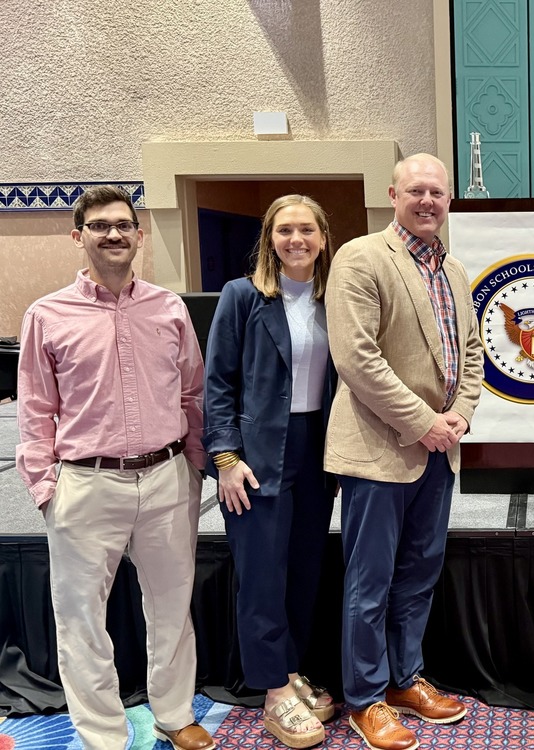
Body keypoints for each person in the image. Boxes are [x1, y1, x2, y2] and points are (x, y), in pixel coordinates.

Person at [15, 186, 213, 750]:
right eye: (100, 225)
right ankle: (103, 733)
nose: (114, 234)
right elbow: (35, 409)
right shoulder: (47, 315)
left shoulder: (168, 307)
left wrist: (194, 466)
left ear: (139, 234)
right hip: (84, 482)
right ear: (78, 236)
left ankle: (175, 716)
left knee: (173, 606)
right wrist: (46, 487)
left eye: (124, 224)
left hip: (167, 477)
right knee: (80, 618)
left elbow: (192, 393)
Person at [326, 153, 484, 750]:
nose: (427, 201)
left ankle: (403, 678)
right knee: (370, 583)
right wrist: (424, 422)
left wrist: (460, 416)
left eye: (437, 193)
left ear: (449, 201)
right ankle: (366, 699)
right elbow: (356, 358)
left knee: (419, 575)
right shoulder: (362, 258)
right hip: (379, 452)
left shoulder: (457, 270)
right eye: (415, 190)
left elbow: (472, 354)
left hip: (439, 453)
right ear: (393, 194)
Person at [202, 195, 337, 748]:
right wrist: (226, 459)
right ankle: (272, 691)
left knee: (303, 570)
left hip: (318, 452)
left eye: (307, 230)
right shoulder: (243, 297)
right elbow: (217, 384)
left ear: (324, 238)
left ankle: (291, 670)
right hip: (256, 456)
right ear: (269, 238)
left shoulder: (336, 300)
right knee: (261, 574)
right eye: (285, 230)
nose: (296, 239)